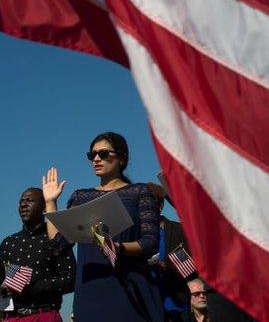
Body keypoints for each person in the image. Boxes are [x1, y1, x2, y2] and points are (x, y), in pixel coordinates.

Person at [43, 132, 165, 322]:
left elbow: (150, 242)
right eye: (92, 155)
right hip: (90, 291)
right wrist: (50, 203)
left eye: (104, 153)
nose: (97, 159)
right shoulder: (80, 197)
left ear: (122, 158)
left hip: (131, 289)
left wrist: (119, 247)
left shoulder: (140, 192)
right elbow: (57, 246)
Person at [0, 187, 76, 320]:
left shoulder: (56, 240)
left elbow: (70, 279)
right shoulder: (9, 243)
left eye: (30, 200)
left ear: (44, 207)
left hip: (44, 316)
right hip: (12, 317)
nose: (24, 204)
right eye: (21, 201)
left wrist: (34, 287)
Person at [146, 183, 194, 321]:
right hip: (149, 308)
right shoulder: (133, 236)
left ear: (160, 205)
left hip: (180, 307)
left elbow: (194, 264)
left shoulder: (180, 231)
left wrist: (168, 266)